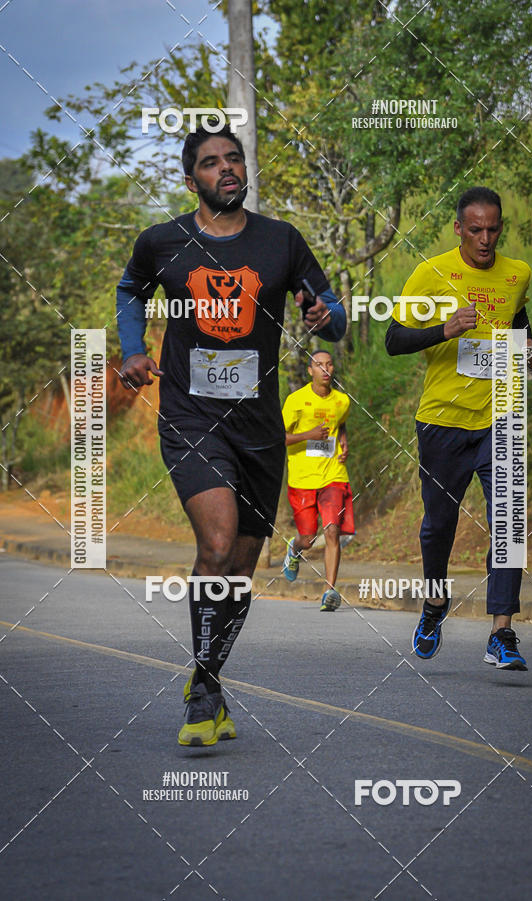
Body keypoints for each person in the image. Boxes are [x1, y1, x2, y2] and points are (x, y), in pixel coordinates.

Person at [116, 124, 346, 746]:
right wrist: (132, 349)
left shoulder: (280, 241)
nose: (226, 169)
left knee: (241, 567)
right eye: (212, 162)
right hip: (190, 417)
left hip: (260, 429)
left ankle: (207, 679)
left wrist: (326, 315)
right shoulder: (163, 242)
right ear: (191, 179)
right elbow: (130, 290)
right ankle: (202, 701)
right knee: (216, 544)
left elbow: (333, 312)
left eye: (234, 159)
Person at [386, 186, 532, 670]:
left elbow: (518, 322)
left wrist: (530, 350)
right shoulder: (430, 273)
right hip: (443, 421)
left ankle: (502, 631)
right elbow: (394, 339)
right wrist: (445, 329)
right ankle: (435, 602)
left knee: (509, 522)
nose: (485, 239)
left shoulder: (517, 273)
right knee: (438, 527)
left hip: (502, 415)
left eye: (493, 229)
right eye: (475, 230)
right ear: (458, 228)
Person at [281, 349, 354, 611]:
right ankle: (294, 548)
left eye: (329, 364)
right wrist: (308, 435)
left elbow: (340, 423)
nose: (325, 369)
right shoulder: (296, 401)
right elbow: (278, 437)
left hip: (333, 474)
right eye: (319, 365)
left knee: (332, 530)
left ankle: (329, 591)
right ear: (310, 370)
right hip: (302, 478)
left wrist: (343, 440)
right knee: (308, 538)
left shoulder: (342, 401)